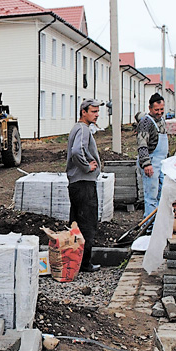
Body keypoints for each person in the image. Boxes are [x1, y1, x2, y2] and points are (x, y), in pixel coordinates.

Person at [67, 99, 102, 273]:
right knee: (87, 223)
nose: (96, 114)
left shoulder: (77, 128)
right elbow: (76, 151)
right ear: (83, 112)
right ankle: (85, 263)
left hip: (76, 184)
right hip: (84, 184)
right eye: (93, 111)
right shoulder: (83, 129)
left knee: (76, 223)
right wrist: (87, 167)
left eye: (97, 111)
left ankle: (74, 260)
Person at [137, 93, 168, 218]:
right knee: (151, 196)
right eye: (157, 110)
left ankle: (158, 223)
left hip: (162, 162)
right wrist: (146, 164)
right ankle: (149, 227)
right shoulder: (146, 123)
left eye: (161, 109)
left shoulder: (161, 121)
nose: (159, 112)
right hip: (151, 162)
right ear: (150, 108)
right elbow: (142, 144)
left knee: (162, 194)